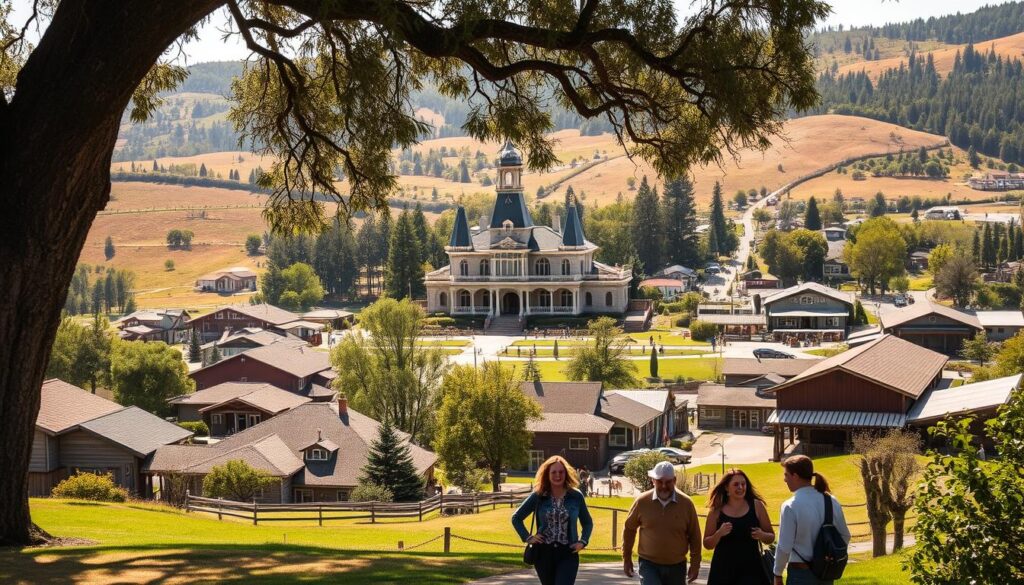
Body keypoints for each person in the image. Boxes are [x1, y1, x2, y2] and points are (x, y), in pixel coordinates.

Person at [512, 456, 593, 585]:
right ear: (547, 474)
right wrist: (528, 537)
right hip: (543, 553)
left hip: (568, 552)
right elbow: (516, 518)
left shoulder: (576, 496)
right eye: (553, 472)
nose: (558, 475)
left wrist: (583, 541)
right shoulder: (538, 495)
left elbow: (587, 522)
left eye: (561, 472)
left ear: (566, 473)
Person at [773, 455, 850, 585]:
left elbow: (784, 547)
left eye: (786, 475)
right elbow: (845, 536)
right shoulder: (831, 501)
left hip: (801, 574)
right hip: (826, 573)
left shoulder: (791, 506)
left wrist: (777, 574)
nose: (784, 479)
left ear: (795, 476)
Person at [622, 461, 702, 584]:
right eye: (660, 481)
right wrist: (626, 558)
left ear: (674, 480)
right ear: (653, 481)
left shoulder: (686, 503)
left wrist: (695, 564)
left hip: (677, 565)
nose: (664, 486)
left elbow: (695, 536)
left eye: (668, 482)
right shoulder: (642, 502)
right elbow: (629, 529)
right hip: (649, 564)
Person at [704, 469, 775, 585]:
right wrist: (719, 534)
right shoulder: (716, 511)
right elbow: (707, 544)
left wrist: (762, 535)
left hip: (751, 570)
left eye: (743, 484)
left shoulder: (757, 506)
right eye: (736, 484)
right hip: (723, 571)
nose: (741, 487)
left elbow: (771, 537)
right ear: (727, 488)